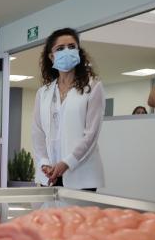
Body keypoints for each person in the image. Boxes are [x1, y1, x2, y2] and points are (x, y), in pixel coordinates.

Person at [31, 27, 104, 191]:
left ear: (79, 51)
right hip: (49, 174)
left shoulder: (93, 86)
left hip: (82, 175)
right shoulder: (44, 92)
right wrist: (43, 162)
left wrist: (67, 162)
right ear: (51, 56)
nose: (67, 51)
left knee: (79, 217)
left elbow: (91, 134)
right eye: (60, 48)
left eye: (72, 47)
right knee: (50, 216)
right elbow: (37, 132)